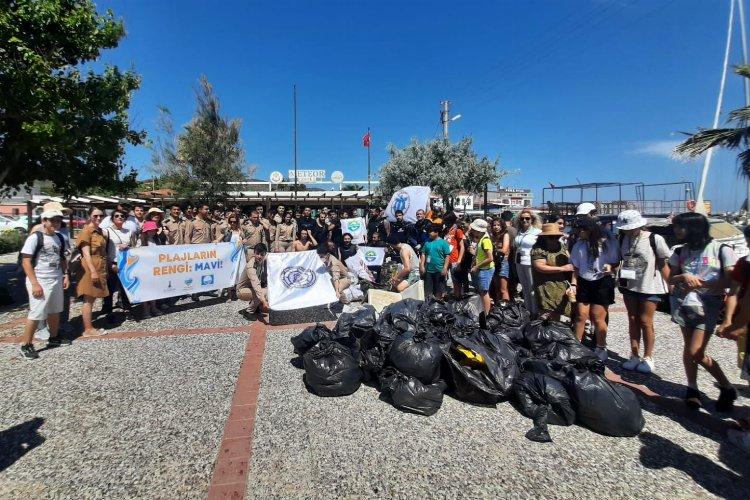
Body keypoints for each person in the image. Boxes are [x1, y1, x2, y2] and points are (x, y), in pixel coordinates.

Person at [668, 212, 738, 411]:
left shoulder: (720, 249)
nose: (676, 231)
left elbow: (732, 281)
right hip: (685, 303)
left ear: (694, 228)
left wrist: (701, 283)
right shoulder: (681, 251)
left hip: (708, 304)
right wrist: (683, 277)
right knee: (688, 347)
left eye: (680, 227)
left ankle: (726, 386)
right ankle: (692, 388)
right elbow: (670, 279)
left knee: (696, 351)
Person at [617, 210, 671, 374]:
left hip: (649, 285)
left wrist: (671, 283)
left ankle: (648, 356)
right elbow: (621, 260)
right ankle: (634, 355)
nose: (627, 230)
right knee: (632, 319)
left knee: (646, 321)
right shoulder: (622, 239)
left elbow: (662, 263)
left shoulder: (655, 239)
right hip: (629, 285)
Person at [18, 208, 72, 359]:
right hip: (40, 279)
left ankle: (54, 338)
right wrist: (35, 283)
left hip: (56, 277)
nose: (56, 223)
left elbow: (62, 258)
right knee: (37, 312)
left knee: (55, 310)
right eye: (52, 220)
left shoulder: (59, 238)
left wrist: (65, 275)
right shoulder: (36, 237)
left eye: (58, 220)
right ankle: (25, 344)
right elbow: (26, 261)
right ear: (44, 221)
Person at [570, 218, 619, 361]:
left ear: (589, 230)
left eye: (581, 230)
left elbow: (615, 262)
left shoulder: (607, 243)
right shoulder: (578, 245)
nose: (578, 233)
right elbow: (576, 268)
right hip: (585, 281)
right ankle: (576, 346)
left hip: (603, 281)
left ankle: (601, 346)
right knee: (580, 315)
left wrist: (610, 267)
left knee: (597, 317)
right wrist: (573, 284)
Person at [531, 223, 574, 322]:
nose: (555, 239)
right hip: (546, 283)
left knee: (559, 310)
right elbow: (539, 266)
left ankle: (556, 330)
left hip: (561, 283)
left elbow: (569, 258)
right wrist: (562, 268)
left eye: (557, 237)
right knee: (548, 310)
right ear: (544, 237)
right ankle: (546, 332)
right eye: (551, 237)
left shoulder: (561, 246)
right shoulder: (538, 249)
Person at [77, 207, 110, 337]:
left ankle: (89, 326)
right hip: (90, 267)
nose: (98, 218)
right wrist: (92, 271)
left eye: (100, 216)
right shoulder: (86, 231)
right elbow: (86, 254)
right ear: (89, 216)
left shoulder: (100, 231)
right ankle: (88, 329)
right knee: (89, 298)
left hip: (100, 266)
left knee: (93, 297)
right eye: (95, 215)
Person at [103, 209, 137, 321]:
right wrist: (109, 264)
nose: (119, 217)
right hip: (113, 263)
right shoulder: (107, 231)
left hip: (126, 264)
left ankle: (127, 310)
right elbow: (104, 250)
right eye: (116, 216)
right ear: (112, 218)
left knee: (125, 289)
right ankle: (108, 312)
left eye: (122, 216)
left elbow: (133, 247)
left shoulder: (129, 232)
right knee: (110, 290)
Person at [514, 209, 542, 314]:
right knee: (524, 288)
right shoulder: (519, 232)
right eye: (522, 218)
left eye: (527, 218)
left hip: (530, 262)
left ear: (532, 219)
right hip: (519, 261)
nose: (524, 220)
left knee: (532, 288)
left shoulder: (537, 232)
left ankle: (535, 312)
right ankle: (527, 311)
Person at [135, 221, 165, 319]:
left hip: (155, 268)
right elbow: (136, 253)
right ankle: (145, 310)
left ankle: (154, 307)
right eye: (150, 230)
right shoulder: (140, 241)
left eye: (153, 230)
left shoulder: (156, 240)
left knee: (154, 288)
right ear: (145, 231)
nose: (152, 232)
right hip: (144, 269)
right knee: (145, 290)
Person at [237, 243, 269, 322]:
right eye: (257, 254)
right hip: (242, 290)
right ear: (254, 253)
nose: (259, 256)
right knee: (263, 292)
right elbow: (256, 285)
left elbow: (273, 257)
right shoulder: (251, 266)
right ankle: (249, 312)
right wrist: (264, 301)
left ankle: (255, 307)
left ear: (265, 254)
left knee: (266, 290)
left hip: (250, 288)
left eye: (262, 254)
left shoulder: (262, 259)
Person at [468, 219, 494, 314]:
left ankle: (486, 314)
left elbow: (490, 258)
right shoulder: (481, 239)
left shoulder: (485, 241)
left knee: (484, 292)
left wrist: (477, 267)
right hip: (483, 268)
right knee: (482, 292)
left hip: (486, 269)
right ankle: (484, 311)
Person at [420, 223, 451, 299]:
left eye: (431, 231)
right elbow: (423, 254)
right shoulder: (427, 242)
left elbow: (447, 256)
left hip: (439, 270)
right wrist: (422, 266)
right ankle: (428, 304)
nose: (429, 233)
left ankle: (438, 304)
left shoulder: (443, 243)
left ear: (437, 232)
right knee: (428, 289)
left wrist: (445, 268)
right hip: (428, 270)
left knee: (438, 290)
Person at [443, 212, 467, 298]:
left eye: (447, 220)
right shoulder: (445, 230)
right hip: (446, 259)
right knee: (444, 279)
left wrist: (459, 260)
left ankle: (458, 298)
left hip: (455, 259)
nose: (445, 222)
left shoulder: (458, 230)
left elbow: (462, 246)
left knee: (456, 281)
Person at [489, 218, 511, 303]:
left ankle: (506, 308)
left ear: (502, 226)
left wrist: (492, 250)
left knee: (503, 289)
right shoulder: (492, 236)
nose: (496, 227)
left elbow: (504, 249)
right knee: (496, 287)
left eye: (498, 225)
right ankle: (499, 306)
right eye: (494, 225)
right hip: (494, 262)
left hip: (502, 262)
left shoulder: (505, 235)